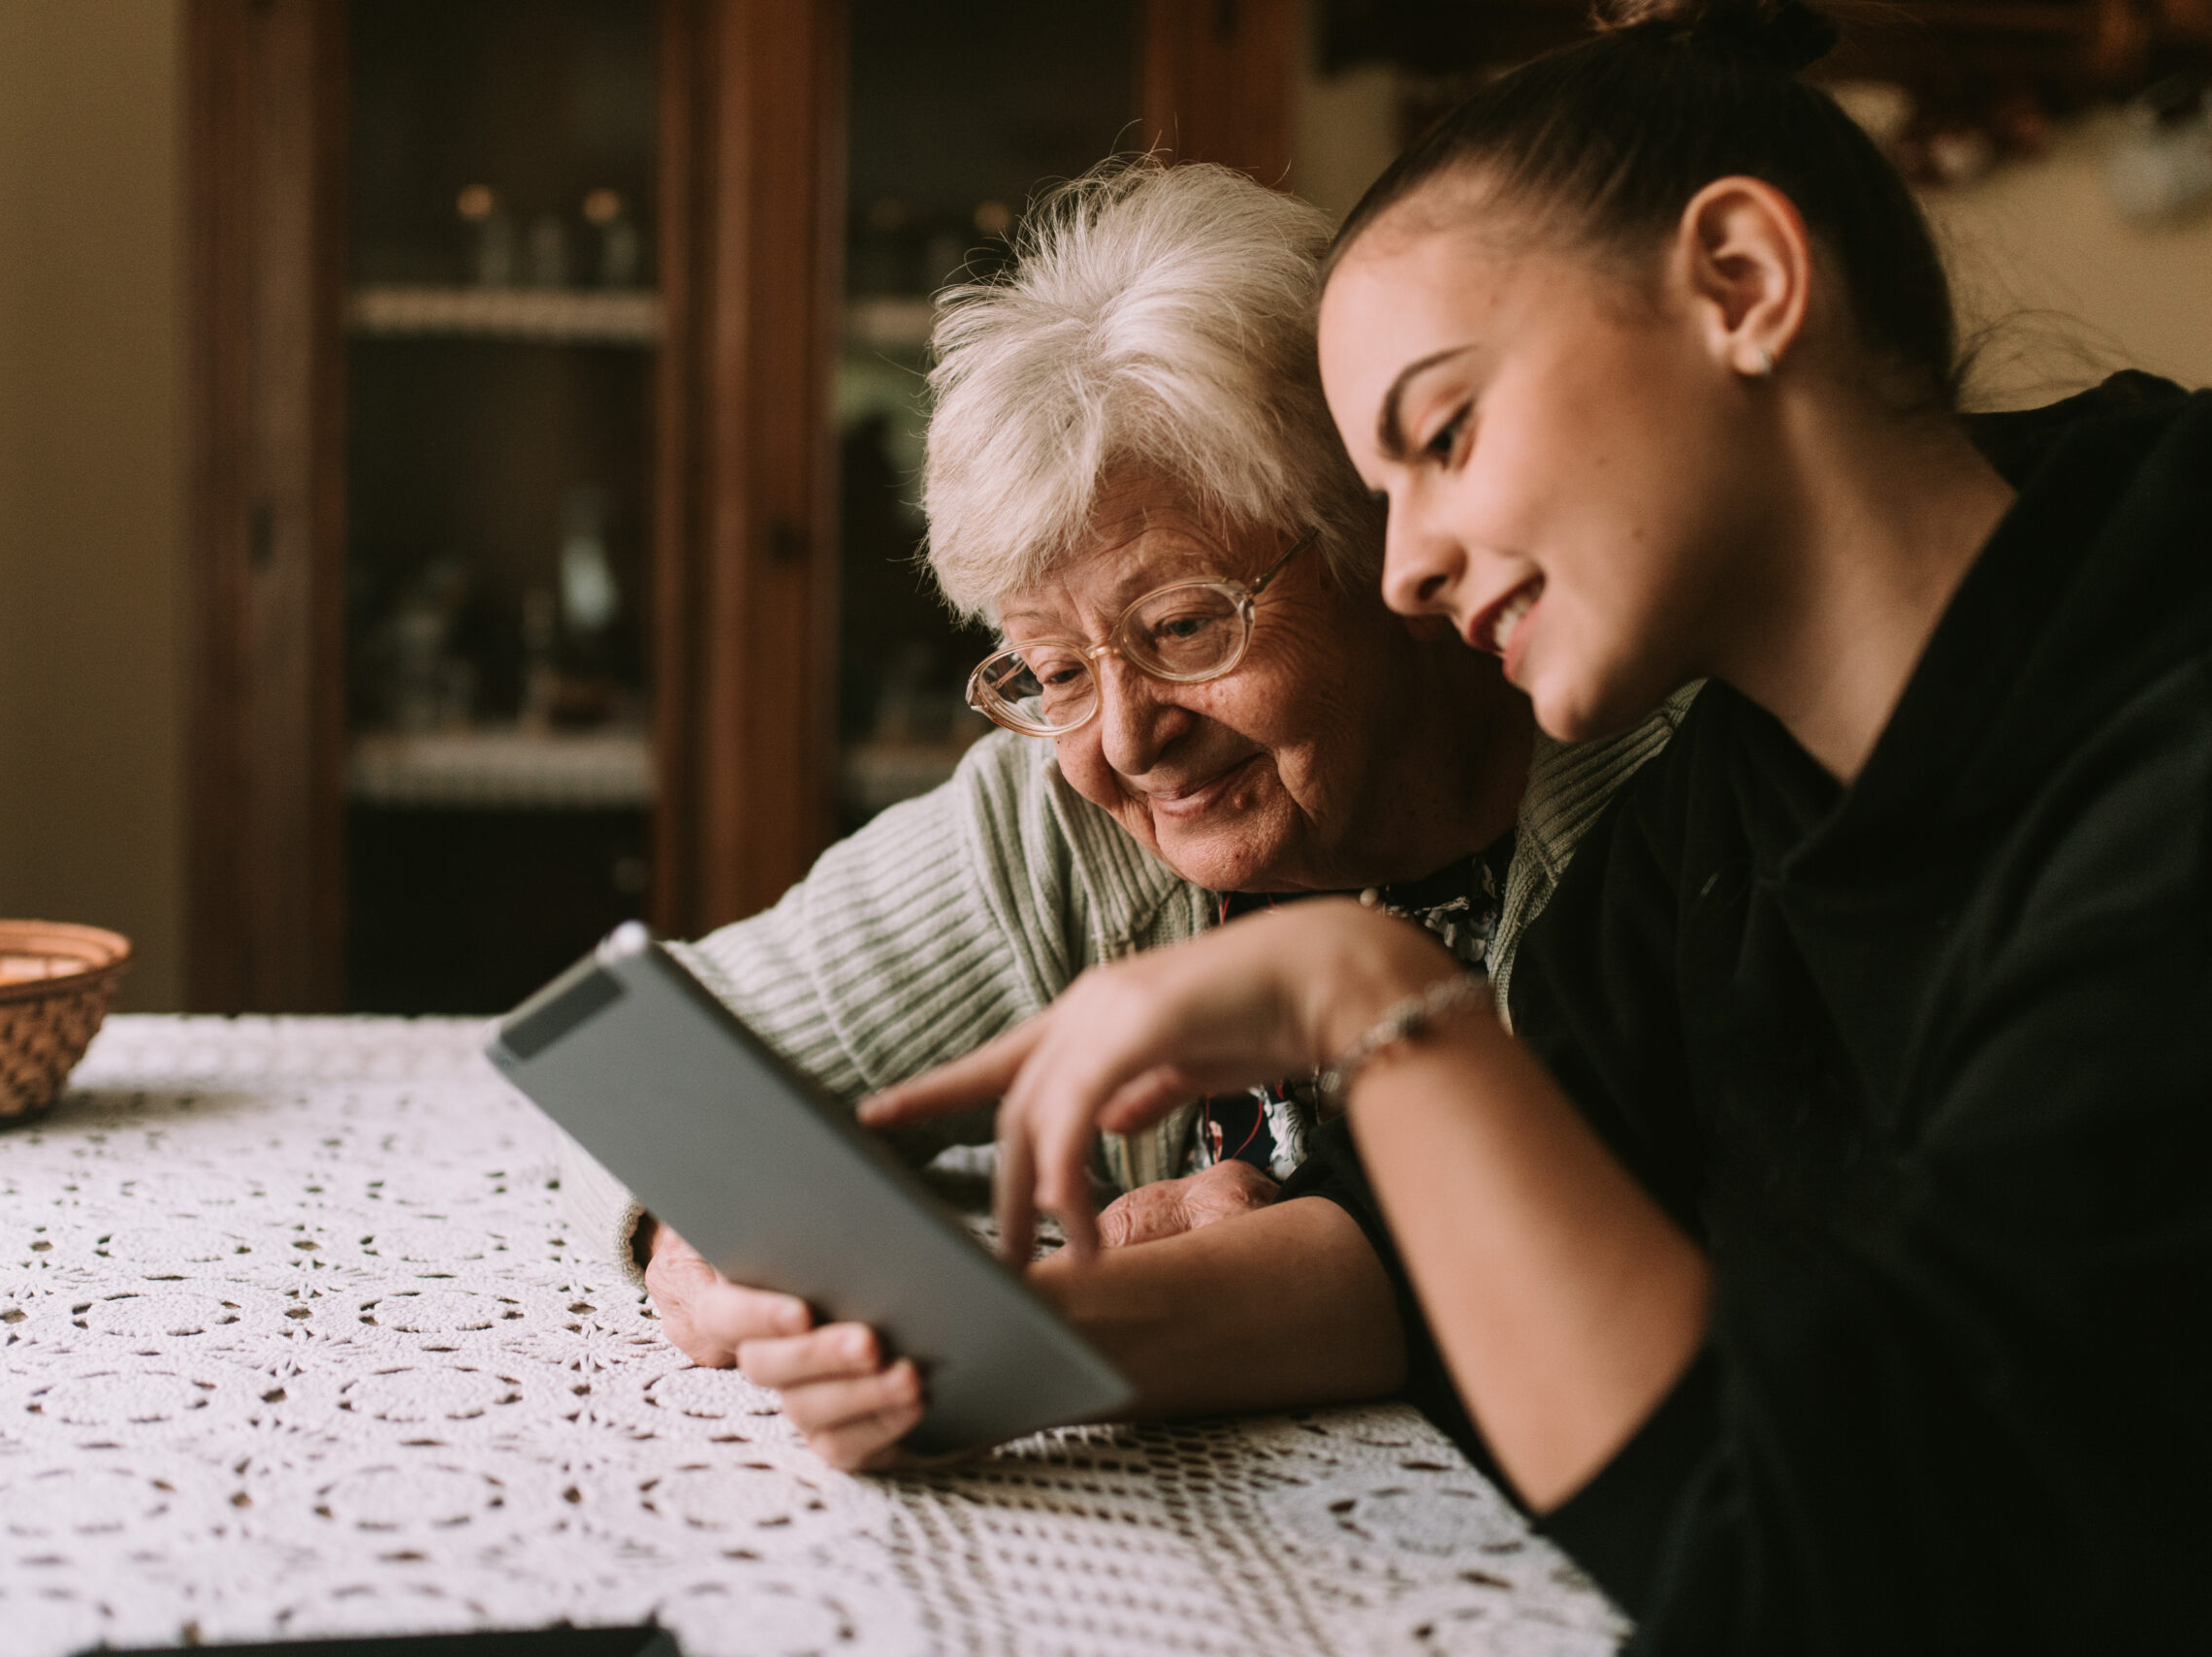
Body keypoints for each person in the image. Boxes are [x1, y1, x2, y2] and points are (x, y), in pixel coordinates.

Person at [867, 3, 2212, 1649]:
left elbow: (1806, 1569)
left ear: (1741, 283)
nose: (1410, 568)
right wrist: (978, 1335)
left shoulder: (2160, 793)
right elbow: (1428, 1245)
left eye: (1442, 438)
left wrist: (1370, 997)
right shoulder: (1738, 792)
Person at [550, 161, 1686, 1468]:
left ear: (1381, 541)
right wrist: (690, 1241)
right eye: (1053, 670)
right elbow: (645, 1059)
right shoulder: (1054, 830)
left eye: (1186, 626)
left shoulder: (1659, 800)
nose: (1131, 738)